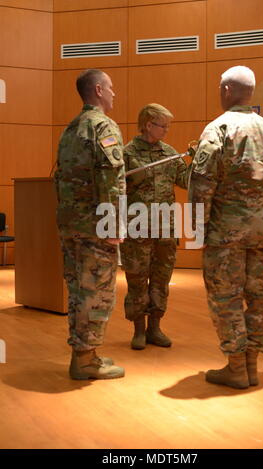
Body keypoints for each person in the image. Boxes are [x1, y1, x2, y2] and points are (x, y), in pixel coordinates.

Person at [189, 66, 263, 389]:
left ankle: (235, 366)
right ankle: (251, 365)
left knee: (226, 298)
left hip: (226, 236)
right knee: (257, 298)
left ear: (226, 90)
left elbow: (201, 186)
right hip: (262, 234)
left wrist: (199, 230)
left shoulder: (217, 130)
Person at [54, 69, 126, 380]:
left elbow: (59, 177)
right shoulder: (103, 126)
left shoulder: (71, 128)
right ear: (98, 90)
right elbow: (111, 180)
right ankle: (84, 360)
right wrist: (113, 225)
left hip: (71, 224)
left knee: (79, 290)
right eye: (110, 88)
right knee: (96, 292)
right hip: (95, 226)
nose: (114, 93)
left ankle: (87, 353)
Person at [120, 103, 191, 350]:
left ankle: (155, 328)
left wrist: (201, 159)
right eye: (163, 126)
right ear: (148, 125)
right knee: (138, 280)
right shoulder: (127, 154)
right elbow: (116, 189)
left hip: (165, 228)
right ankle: (139, 330)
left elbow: (187, 180)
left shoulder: (169, 152)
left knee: (161, 280)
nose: (167, 131)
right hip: (137, 229)